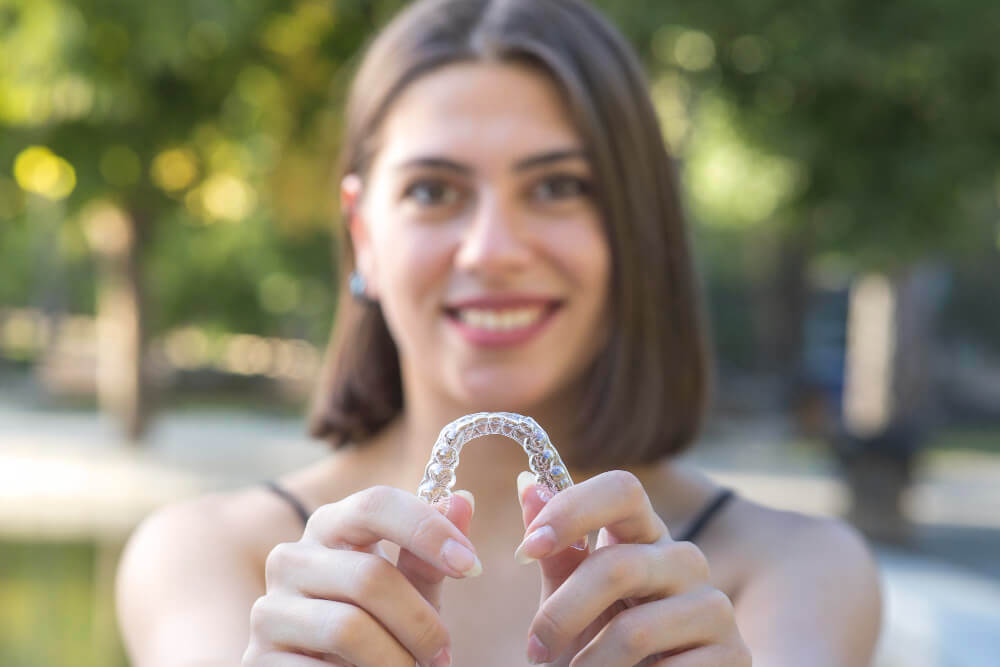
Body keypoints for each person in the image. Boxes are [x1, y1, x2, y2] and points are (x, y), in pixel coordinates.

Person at [115, 0, 882, 665]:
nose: (491, 249)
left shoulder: (798, 571)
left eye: (557, 187)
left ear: (635, 229)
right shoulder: (209, 558)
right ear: (363, 239)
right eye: (434, 190)